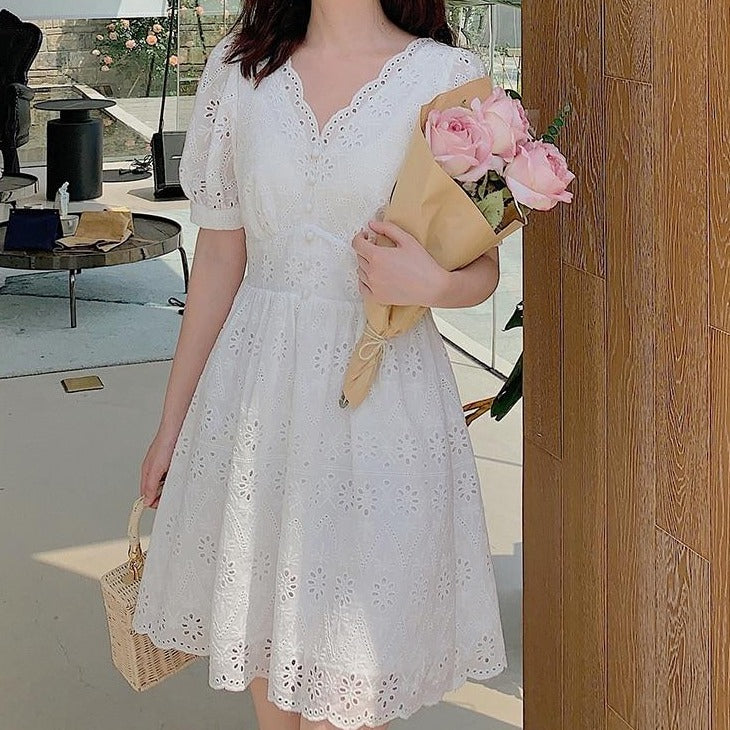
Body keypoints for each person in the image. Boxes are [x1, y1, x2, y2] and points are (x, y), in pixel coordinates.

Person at [132, 1, 507, 728]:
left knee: (352, 675)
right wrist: (171, 425)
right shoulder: (241, 70)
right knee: (269, 663)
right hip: (256, 397)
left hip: (382, 400)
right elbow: (219, 258)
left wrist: (432, 284)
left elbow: (483, 267)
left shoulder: (448, 79)